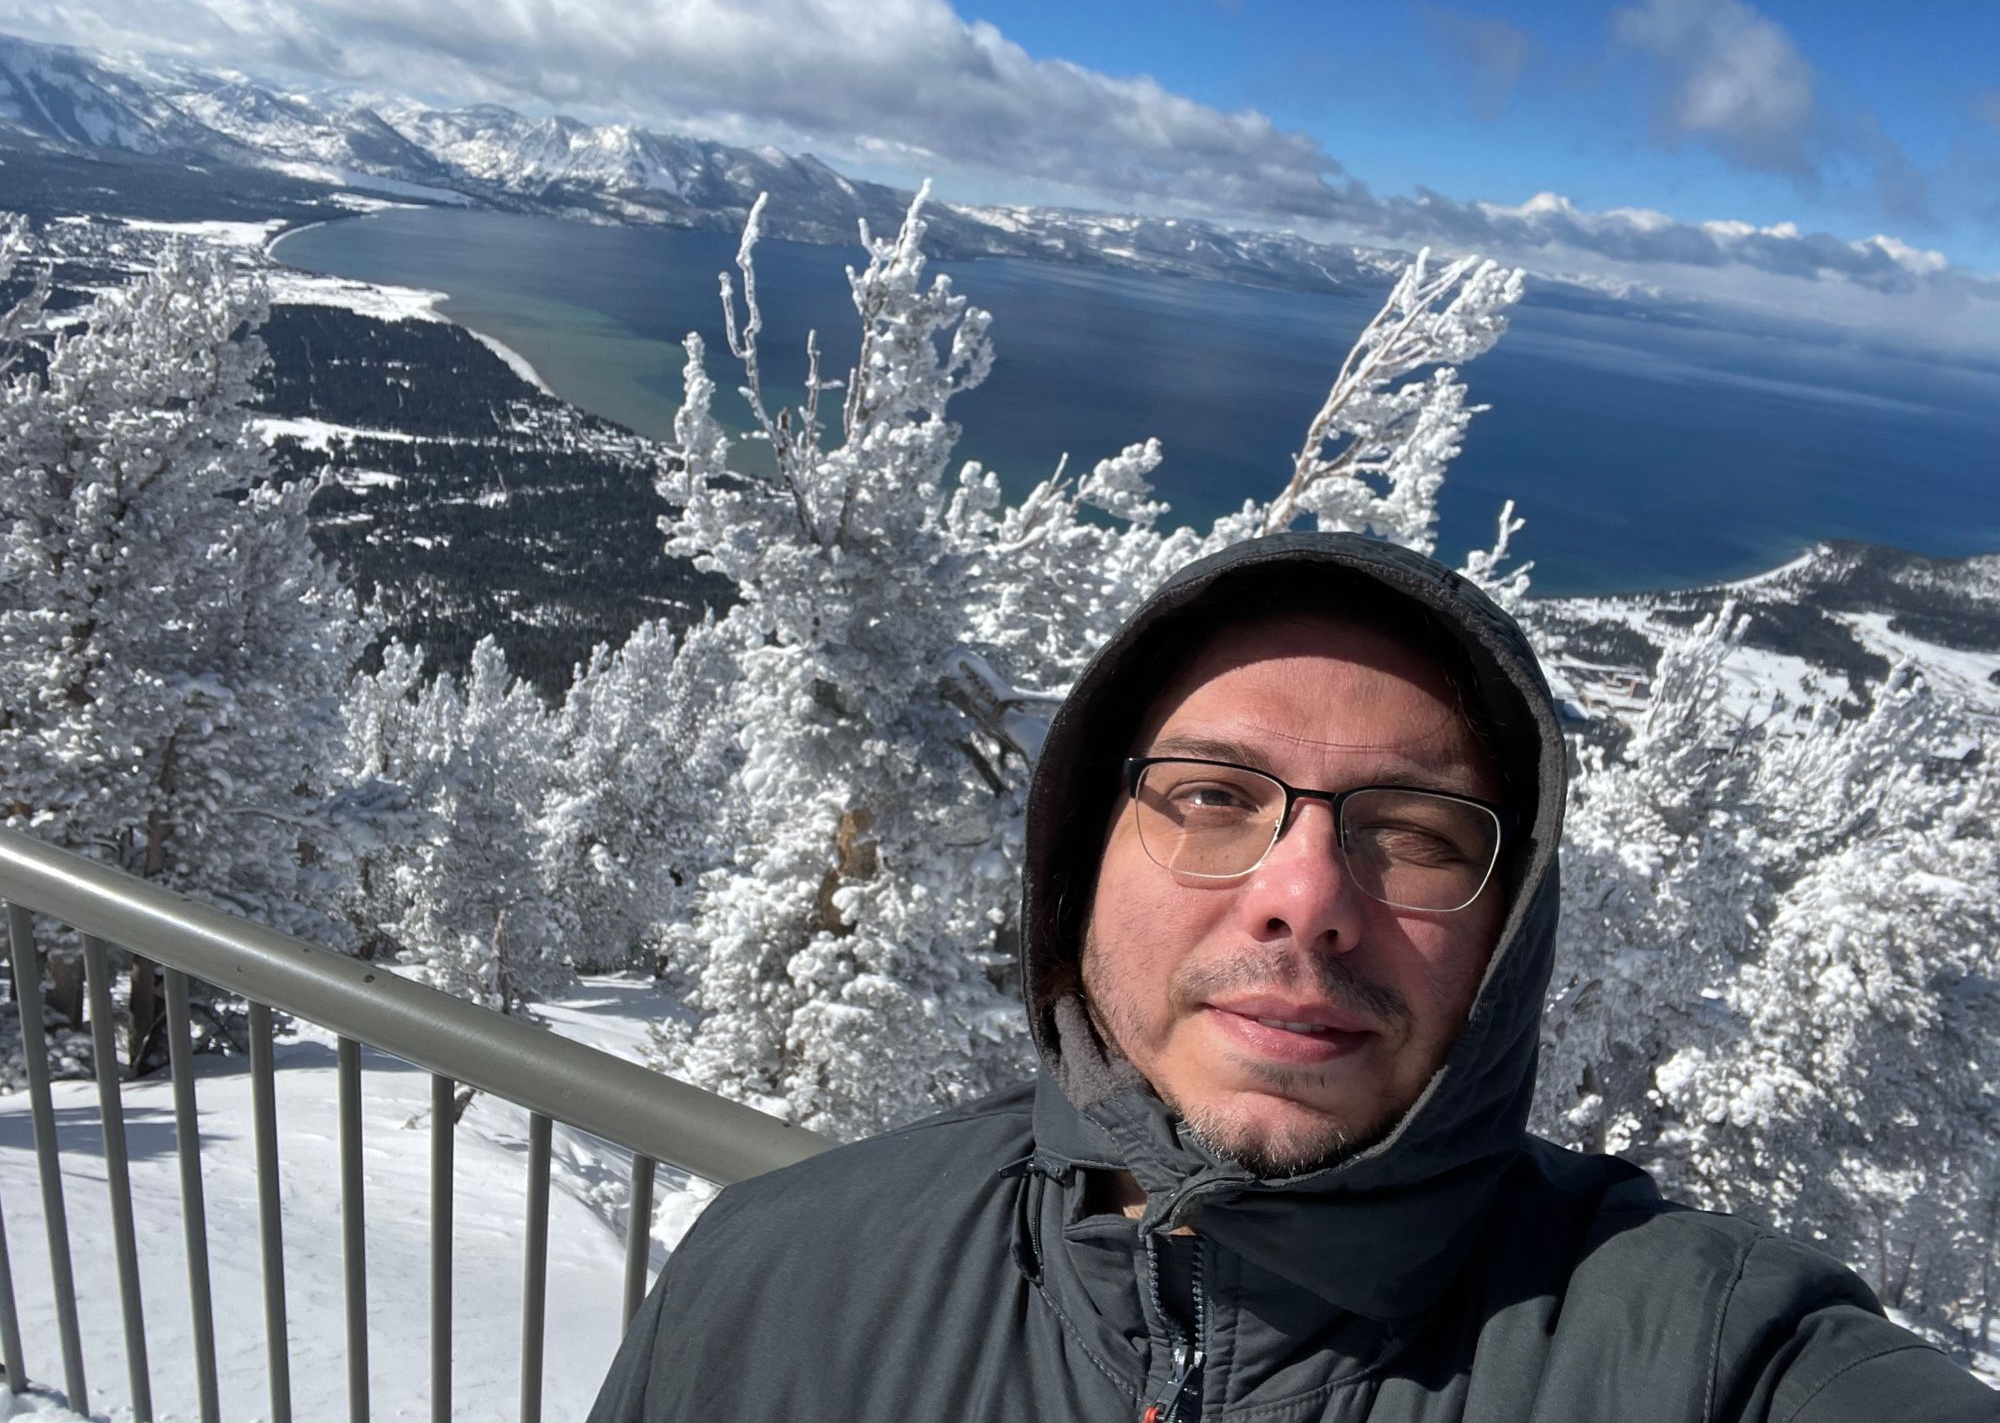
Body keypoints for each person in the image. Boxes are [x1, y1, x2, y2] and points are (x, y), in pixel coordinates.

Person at [589, 533, 1997, 1422]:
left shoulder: (1700, 1360)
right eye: (1209, 797)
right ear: (1080, 865)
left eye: (1419, 832)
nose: (1307, 899)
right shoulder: (774, 1286)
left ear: (1509, 939)